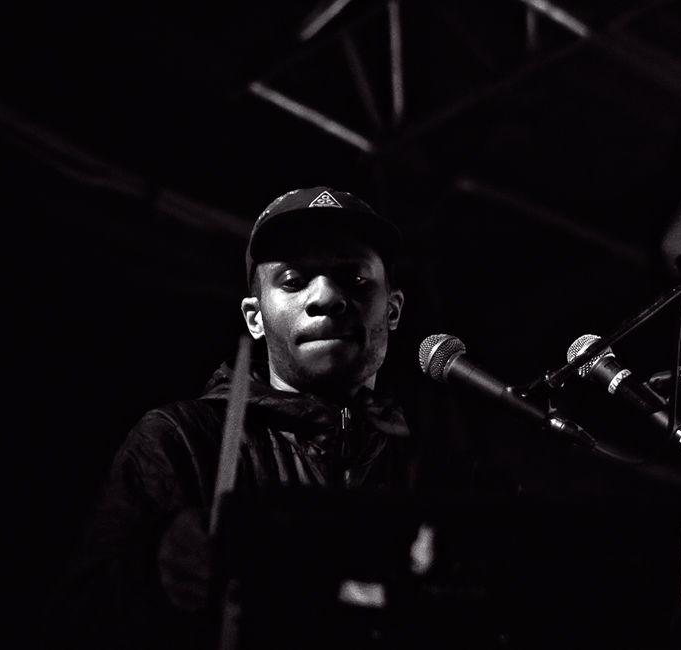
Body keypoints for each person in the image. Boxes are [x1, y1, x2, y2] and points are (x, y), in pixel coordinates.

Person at [42, 187, 410, 649]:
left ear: (393, 309)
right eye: (294, 280)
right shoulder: (178, 441)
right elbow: (79, 624)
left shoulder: (441, 473)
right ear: (254, 319)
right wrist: (148, 570)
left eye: (354, 277)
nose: (327, 296)